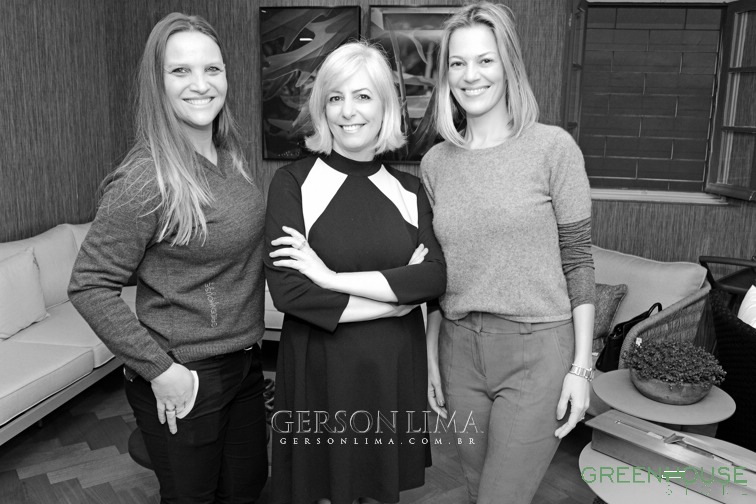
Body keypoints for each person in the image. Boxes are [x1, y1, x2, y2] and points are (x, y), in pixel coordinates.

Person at [68, 13, 268, 503]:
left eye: (212, 69)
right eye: (180, 71)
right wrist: (160, 370)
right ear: (157, 84)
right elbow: (89, 285)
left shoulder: (229, 155)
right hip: (186, 372)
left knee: (246, 491)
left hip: (244, 361)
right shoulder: (144, 178)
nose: (201, 84)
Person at [421, 3, 595, 504]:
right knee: (480, 490)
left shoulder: (553, 149)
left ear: (509, 65)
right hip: (458, 352)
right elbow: (436, 272)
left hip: (536, 350)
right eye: (457, 63)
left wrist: (581, 369)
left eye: (485, 60)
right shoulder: (436, 163)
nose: (470, 75)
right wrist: (431, 357)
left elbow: (579, 260)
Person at [264, 41, 446, 504]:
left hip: (392, 369)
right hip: (319, 369)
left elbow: (433, 278)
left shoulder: (410, 190)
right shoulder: (293, 183)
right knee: (322, 489)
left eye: (363, 96)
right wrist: (395, 299)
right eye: (335, 97)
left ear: (385, 106)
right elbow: (290, 293)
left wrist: (329, 279)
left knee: (379, 489)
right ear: (322, 108)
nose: (348, 111)